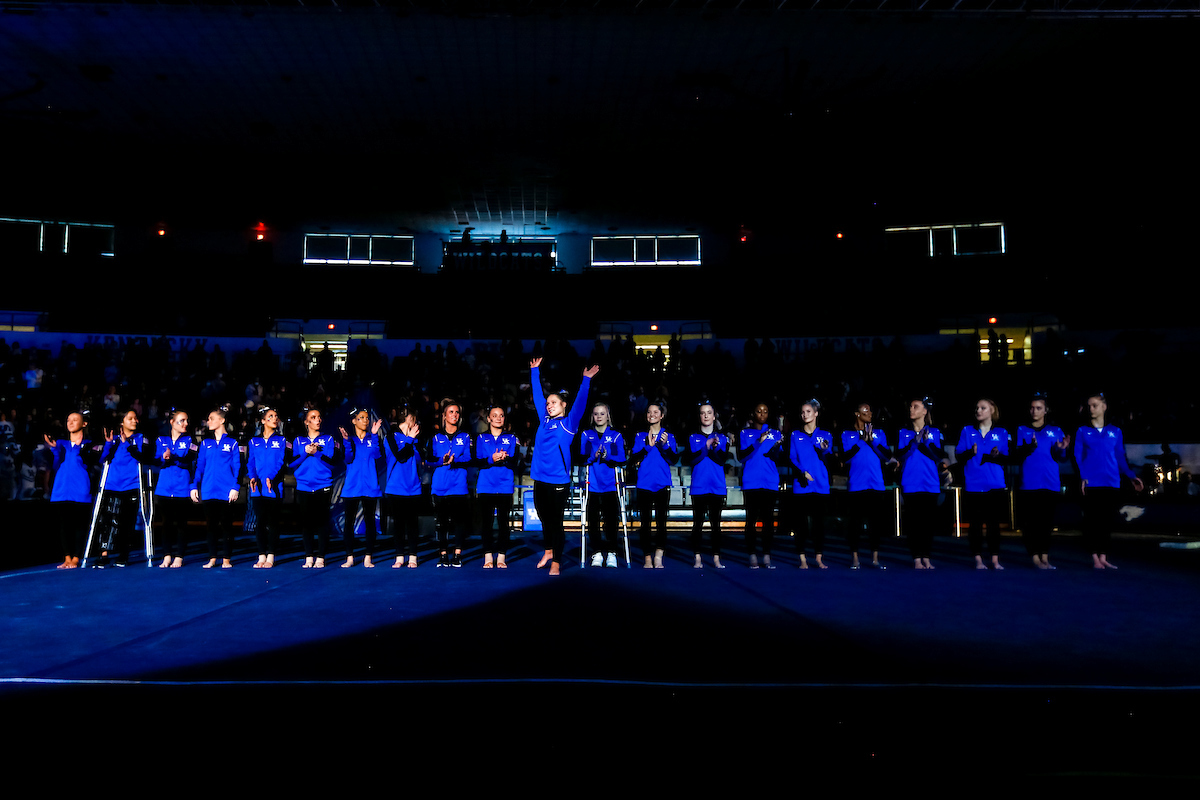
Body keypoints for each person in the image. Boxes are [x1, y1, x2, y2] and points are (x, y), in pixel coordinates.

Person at [528, 357, 599, 575]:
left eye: (554, 403)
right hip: (539, 478)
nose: (549, 406)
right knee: (544, 518)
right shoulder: (544, 420)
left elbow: (580, 404)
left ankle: (557, 560)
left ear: (563, 405)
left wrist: (585, 380)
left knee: (556, 522)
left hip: (558, 481)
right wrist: (534, 371)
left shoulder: (568, 424)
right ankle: (548, 550)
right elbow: (538, 396)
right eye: (548, 404)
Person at [1074, 392, 1143, 569]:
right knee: (1092, 521)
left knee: (1106, 521)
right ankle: (1095, 557)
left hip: (1111, 482)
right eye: (1089, 406)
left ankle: (1103, 556)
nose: (1091, 409)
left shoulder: (1115, 431)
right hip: (1091, 482)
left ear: (1104, 407)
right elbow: (1077, 455)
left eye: (1095, 405)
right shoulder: (1082, 431)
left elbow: (1120, 456)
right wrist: (1082, 476)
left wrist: (1131, 476)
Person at [1013, 393, 1070, 569]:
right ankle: (1035, 557)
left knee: (1046, 523)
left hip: (1050, 482)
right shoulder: (1022, 429)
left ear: (1046, 410)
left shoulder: (1056, 430)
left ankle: (1045, 556)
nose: (1034, 411)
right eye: (1032, 408)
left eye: (1038, 408)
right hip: (1029, 483)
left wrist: (1061, 449)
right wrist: (1028, 447)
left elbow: (1062, 457)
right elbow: (1016, 454)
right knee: (1030, 523)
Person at [955, 398, 1011, 570]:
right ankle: (978, 559)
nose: (978, 410)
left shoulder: (1001, 432)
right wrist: (970, 452)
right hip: (973, 484)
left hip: (995, 484)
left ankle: (995, 559)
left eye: (983, 408)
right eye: (977, 407)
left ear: (992, 410)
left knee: (994, 524)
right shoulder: (967, 431)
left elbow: (1007, 457)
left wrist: (996, 455)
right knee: (976, 524)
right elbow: (959, 456)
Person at [95, 409, 154, 568]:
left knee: (127, 523)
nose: (135, 421)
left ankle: (123, 555)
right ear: (122, 422)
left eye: (136, 418)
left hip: (132, 485)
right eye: (130, 418)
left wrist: (128, 443)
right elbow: (102, 459)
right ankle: (104, 554)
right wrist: (108, 444)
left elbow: (144, 458)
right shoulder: (113, 440)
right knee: (108, 522)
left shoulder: (141, 438)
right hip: (112, 486)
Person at [45, 411, 103, 569]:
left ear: (84, 423)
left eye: (75, 419)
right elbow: (55, 466)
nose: (70, 422)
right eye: (68, 420)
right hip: (61, 489)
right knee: (64, 526)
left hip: (81, 489)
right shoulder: (61, 444)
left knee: (79, 525)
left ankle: (77, 557)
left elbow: (94, 463)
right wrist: (55, 451)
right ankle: (67, 558)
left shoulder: (90, 444)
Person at [840, 403, 894, 569]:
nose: (870, 413)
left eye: (870, 410)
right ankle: (855, 557)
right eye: (866, 410)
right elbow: (845, 457)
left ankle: (875, 558)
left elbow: (887, 456)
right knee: (855, 524)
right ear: (857, 414)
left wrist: (872, 442)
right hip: (857, 484)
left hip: (876, 484)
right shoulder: (847, 434)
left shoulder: (879, 433)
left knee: (875, 524)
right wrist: (861, 441)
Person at [191, 405, 244, 568]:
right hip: (208, 490)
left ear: (222, 420)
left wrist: (236, 486)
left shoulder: (234, 442)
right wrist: (194, 486)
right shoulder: (205, 443)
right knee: (211, 526)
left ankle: (226, 558)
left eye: (211, 418)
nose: (208, 422)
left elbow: (239, 466)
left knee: (227, 526)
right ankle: (212, 558)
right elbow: (199, 466)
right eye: (208, 419)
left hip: (226, 491)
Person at [897, 397, 946, 569]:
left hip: (930, 482)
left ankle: (926, 556)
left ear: (925, 411)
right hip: (911, 482)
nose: (912, 409)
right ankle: (916, 558)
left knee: (927, 523)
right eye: (910, 406)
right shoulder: (904, 433)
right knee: (914, 523)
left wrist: (926, 443)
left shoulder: (934, 431)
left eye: (916, 407)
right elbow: (900, 455)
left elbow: (940, 455)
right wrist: (914, 444)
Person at [290, 408, 341, 568]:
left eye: (319, 417)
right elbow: (291, 464)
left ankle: (320, 556)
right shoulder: (298, 441)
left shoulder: (328, 439)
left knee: (322, 522)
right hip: (304, 487)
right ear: (306, 422)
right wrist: (305, 452)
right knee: (306, 523)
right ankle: (308, 556)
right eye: (313, 417)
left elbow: (332, 463)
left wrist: (317, 453)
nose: (317, 420)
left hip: (323, 485)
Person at [631, 401, 679, 568]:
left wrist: (664, 446)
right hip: (644, 484)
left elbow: (674, 459)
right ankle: (647, 558)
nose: (652, 415)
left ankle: (659, 555)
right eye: (649, 412)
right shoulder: (640, 436)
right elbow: (633, 459)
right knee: (645, 524)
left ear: (662, 415)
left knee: (661, 522)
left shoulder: (669, 436)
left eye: (655, 412)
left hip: (662, 484)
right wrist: (647, 447)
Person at [738, 402, 785, 569]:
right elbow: (742, 456)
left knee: (768, 520)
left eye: (765, 411)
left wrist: (778, 446)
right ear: (753, 413)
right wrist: (758, 441)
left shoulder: (776, 433)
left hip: (770, 481)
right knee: (751, 520)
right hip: (751, 481)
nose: (762, 414)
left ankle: (766, 555)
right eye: (759, 411)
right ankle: (752, 555)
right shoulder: (745, 433)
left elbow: (777, 458)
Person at [789, 399, 835, 569]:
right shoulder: (795, 435)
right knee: (801, 524)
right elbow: (792, 458)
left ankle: (818, 558)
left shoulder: (826, 435)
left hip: (821, 485)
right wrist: (802, 471)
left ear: (816, 413)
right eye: (802, 412)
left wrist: (824, 449)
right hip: (801, 486)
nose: (805, 415)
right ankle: (802, 559)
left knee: (818, 524)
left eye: (808, 411)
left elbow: (830, 456)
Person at [581, 402, 627, 568]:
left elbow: (621, 458)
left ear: (608, 416)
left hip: (610, 486)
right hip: (592, 485)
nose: (599, 417)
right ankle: (596, 553)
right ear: (592, 416)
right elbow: (582, 456)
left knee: (611, 520)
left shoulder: (615, 436)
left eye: (602, 413)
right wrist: (593, 455)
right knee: (592, 521)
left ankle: (612, 552)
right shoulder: (586, 434)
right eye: (596, 414)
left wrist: (607, 456)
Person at [427, 401, 472, 567]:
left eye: (457, 412)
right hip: (440, 486)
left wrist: (455, 460)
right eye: (451, 412)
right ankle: (443, 554)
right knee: (442, 523)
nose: (454, 415)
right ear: (444, 416)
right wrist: (442, 460)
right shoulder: (435, 437)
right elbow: (428, 460)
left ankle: (457, 554)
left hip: (459, 486)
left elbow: (469, 458)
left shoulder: (465, 436)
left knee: (459, 522)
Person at [338, 407, 384, 568]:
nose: (365, 420)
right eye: (362, 418)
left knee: (370, 522)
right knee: (349, 523)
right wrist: (346, 442)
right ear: (354, 421)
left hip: (370, 487)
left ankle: (368, 557)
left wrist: (375, 435)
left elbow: (378, 455)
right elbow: (348, 459)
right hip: (352, 488)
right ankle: (350, 557)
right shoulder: (349, 440)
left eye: (366, 418)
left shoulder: (372, 438)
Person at [475, 406, 520, 568]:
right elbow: (477, 461)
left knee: (503, 523)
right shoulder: (481, 438)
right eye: (495, 415)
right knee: (486, 523)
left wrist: (505, 458)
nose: (499, 418)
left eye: (501, 415)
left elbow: (516, 461)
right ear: (489, 419)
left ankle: (501, 557)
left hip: (505, 485)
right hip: (486, 486)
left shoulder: (511, 438)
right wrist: (491, 459)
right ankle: (488, 556)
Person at [686, 402, 728, 569]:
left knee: (716, 525)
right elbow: (692, 459)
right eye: (703, 413)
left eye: (708, 413)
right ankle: (697, 557)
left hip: (717, 486)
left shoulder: (722, 438)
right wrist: (706, 446)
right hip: (699, 486)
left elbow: (722, 460)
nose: (705, 415)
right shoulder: (692, 437)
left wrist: (715, 448)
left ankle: (716, 558)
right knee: (698, 524)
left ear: (714, 416)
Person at [247, 406, 290, 569]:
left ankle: (271, 555)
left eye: (276, 416)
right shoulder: (253, 441)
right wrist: (252, 477)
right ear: (263, 421)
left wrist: (270, 477)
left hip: (273, 487)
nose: (275, 418)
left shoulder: (281, 440)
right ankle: (261, 555)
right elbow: (250, 461)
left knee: (273, 522)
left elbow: (280, 461)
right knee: (260, 522)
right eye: (271, 416)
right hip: (257, 488)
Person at [154, 409, 197, 568]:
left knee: (181, 524)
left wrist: (173, 457)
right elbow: (157, 460)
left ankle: (179, 556)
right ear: (172, 422)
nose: (185, 423)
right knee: (166, 524)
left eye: (186, 420)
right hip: (164, 488)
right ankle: (166, 556)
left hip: (182, 488)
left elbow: (188, 460)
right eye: (181, 420)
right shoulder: (161, 439)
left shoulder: (190, 440)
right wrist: (164, 458)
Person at [383, 406, 423, 568]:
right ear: (409, 420)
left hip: (413, 486)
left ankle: (413, 556)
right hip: (396, 486)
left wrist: (414, 440)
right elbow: (400, 457)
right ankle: (399, 556)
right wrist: (410, 440)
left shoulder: (416, 439)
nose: (416, 424)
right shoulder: (391, 436)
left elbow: (420, 459)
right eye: (414, 420)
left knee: (412, 523)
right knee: (399, 524)